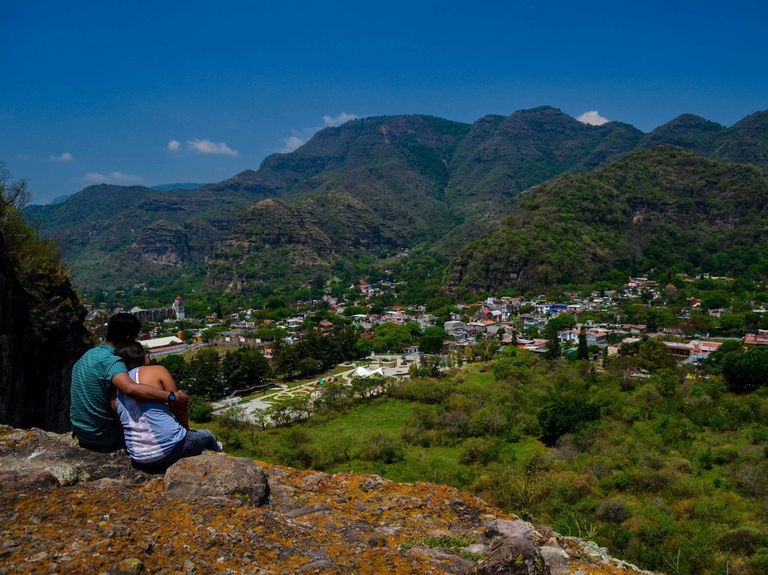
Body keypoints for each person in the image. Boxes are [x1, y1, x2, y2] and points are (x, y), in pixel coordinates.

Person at [70, 313, 188, 451]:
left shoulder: (89, 354)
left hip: (82, 433)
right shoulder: (112, 361)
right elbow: (130, 388)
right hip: (104, 437)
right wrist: (171, 396)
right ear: (128, 338)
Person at [113, 341, 221, 473]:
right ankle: (221, 461)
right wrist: (186, 431)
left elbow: (122, 424)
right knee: (208, 435)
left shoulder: (115, 388)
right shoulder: (157, 370)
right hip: (171, 450)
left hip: (139, 458)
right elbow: (178, 407)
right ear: (143, 356)